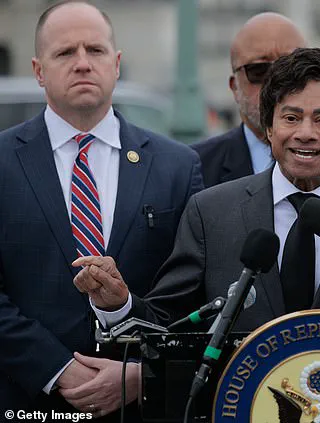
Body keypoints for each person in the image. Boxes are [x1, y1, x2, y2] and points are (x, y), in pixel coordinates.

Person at [74, 48, 320, 343]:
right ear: (269, 128)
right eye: (291, 118)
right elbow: (168, 325)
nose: (305, 133)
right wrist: (119, 304)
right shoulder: (210, 214)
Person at [0, 0, 203, 418]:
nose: (82, 63)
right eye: (64, 52)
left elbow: (193, 295)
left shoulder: (177, 166)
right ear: (38, 71)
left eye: (95, 50)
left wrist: (141, 372)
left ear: (116, 63)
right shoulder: (3, 161)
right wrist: (57, 370)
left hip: (142, 404)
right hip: (25, 399)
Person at [192, 12, 320, 204]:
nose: (275, 81)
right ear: (234, 86)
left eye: (293, 70)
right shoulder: (195, 168)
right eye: (258, 71)